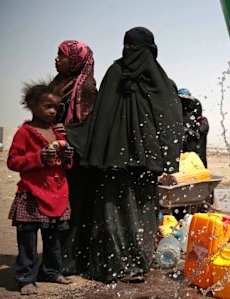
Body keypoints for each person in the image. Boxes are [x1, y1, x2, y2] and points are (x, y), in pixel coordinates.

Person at [68, 27, 183, 283]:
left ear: (149, 50)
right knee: (112, 209)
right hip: (113, 161)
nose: (130, 52)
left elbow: (170, 120)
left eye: (136, 47)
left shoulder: (160, 81)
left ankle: (137, 263)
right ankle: (113, 264)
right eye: (127, 46)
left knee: (141, 211)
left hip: (145, 161)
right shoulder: (115, 73)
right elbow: (101, 116)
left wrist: (166, 157)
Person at [7, 82, 74, 295]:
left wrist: (67, 158)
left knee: (53, 237)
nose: (53, 111)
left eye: (56, 107)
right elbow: (13, 162)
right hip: (32, 193)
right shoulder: (24, 133)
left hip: (57, 192)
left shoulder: (58, 133)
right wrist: (37, 158)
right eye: (48, 106)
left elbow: (65, 162)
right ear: (31, 105)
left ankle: (52, 271)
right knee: (27, 239)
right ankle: (26, 277)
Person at [48, 40, 98, 276]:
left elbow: (89, 126)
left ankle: (69, 262)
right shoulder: (58, 83)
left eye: (62, 56)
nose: (57, 59)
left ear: (76, 59)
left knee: (73, 211)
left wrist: (66, 134)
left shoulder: (85, 87)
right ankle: (54, 260)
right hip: (52, 154)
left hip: (75, 158)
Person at [178, 88, 209, 167]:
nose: (184, 104)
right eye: (181, 101)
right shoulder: (176, 119)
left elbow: (202, 130)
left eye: (186, 102)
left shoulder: (200, 120)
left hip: (195, 159)